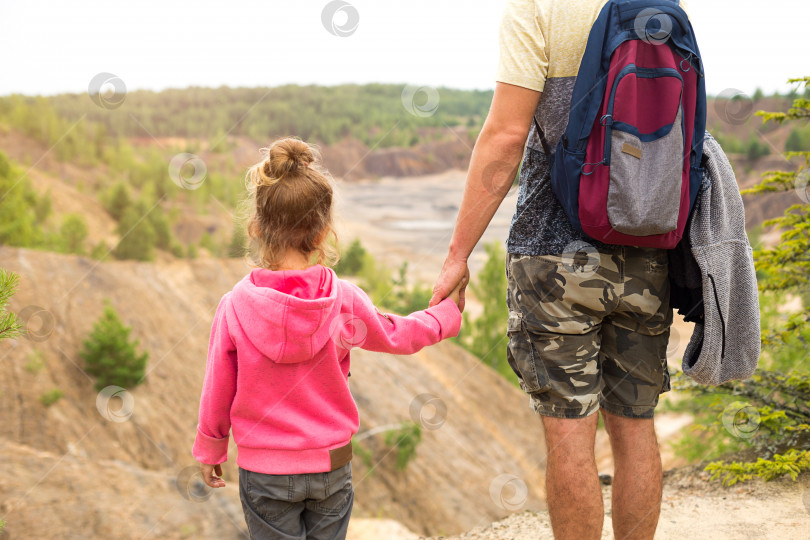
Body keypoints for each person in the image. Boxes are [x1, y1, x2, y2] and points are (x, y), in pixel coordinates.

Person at [430, 1, 678, 538]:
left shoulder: (535, 9)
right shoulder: (657, 6)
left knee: (570, 435)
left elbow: (505, 137)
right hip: (644, 243)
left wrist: (458, 254)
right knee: (636, 428)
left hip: (551, 256)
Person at [192, 138, 463, 540]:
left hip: (265, 470)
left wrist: (211, 448)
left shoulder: (234, 306)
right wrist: (447, 314)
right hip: (331, 466)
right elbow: (396, 335)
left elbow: (218, 387)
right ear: (322, 233)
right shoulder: (343, 301)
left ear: (256, 228)